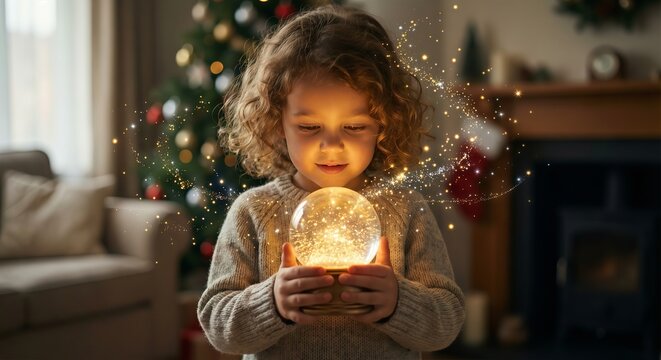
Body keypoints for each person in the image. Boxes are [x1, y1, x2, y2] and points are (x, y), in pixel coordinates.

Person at [198, 5, 465, 359]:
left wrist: (399, 302)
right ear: (278, 122)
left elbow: (446, 323)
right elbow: (218, 325)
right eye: (309, 127)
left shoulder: (405, 209)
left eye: (354, 127)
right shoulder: (254, 211)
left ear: (383, 123)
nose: (332, 145)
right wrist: (273, 302)